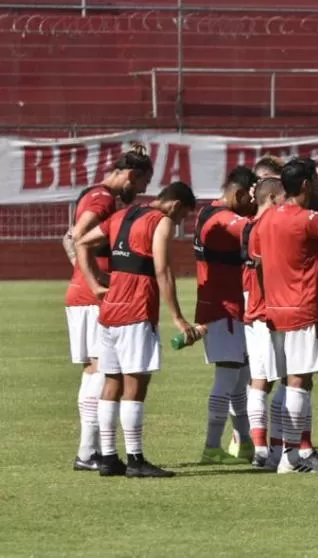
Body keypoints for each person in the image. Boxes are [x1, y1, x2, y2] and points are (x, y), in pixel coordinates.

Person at [75, 181, 200, 478]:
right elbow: (162, 270)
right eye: (182, 216)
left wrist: (95, 285)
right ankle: (135, 459)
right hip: (136, 310)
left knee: (112, 384)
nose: (179, 222)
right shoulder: (161, 221)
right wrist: (178, 318)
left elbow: (81, 242)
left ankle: (107, 458)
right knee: (135, 386)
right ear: (175, 205)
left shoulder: (121, 215)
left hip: (109, 313)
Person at [250, 158, 318, 474]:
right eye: (314, 180)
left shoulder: (267, 220)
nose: (317, 185)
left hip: (273, 312)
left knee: (289, 383)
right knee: (298, 382)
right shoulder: (310, 218)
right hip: (302, 310)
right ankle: (290, 457)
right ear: (304, 185)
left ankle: (280, 451)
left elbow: (257, 261)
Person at [63, 144, 153, 471]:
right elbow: (77, 236)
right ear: (131, 175)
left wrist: (82, 272)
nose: (142, 190)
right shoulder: (102, 199)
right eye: (142, 183)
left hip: (85, 294)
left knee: (96, 369)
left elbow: (69, 238)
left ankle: (91, 451)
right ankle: (88, 453)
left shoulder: (95, 194)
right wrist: (95, 279)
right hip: (92, 298)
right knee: (98, 371)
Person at [195, 166, 259, 465]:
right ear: (238, 193)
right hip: (224, 310)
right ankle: (211, 445)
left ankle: (244, 441)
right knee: (228, 376)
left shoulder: (209, 212)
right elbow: (252, 230)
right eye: (251, 199)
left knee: (240, 377)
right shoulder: (222, 217)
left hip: (226, 307)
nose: (252, 206)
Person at [242, 176, 285, 468]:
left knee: (261, 380)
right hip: (268, 311)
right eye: (283, 199)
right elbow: (262, 268)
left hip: (255, 311)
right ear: (271, 199)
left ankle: (261, 450)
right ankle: (277, 449)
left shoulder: (250, 226)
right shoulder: (263, 228)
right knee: (285, 378)